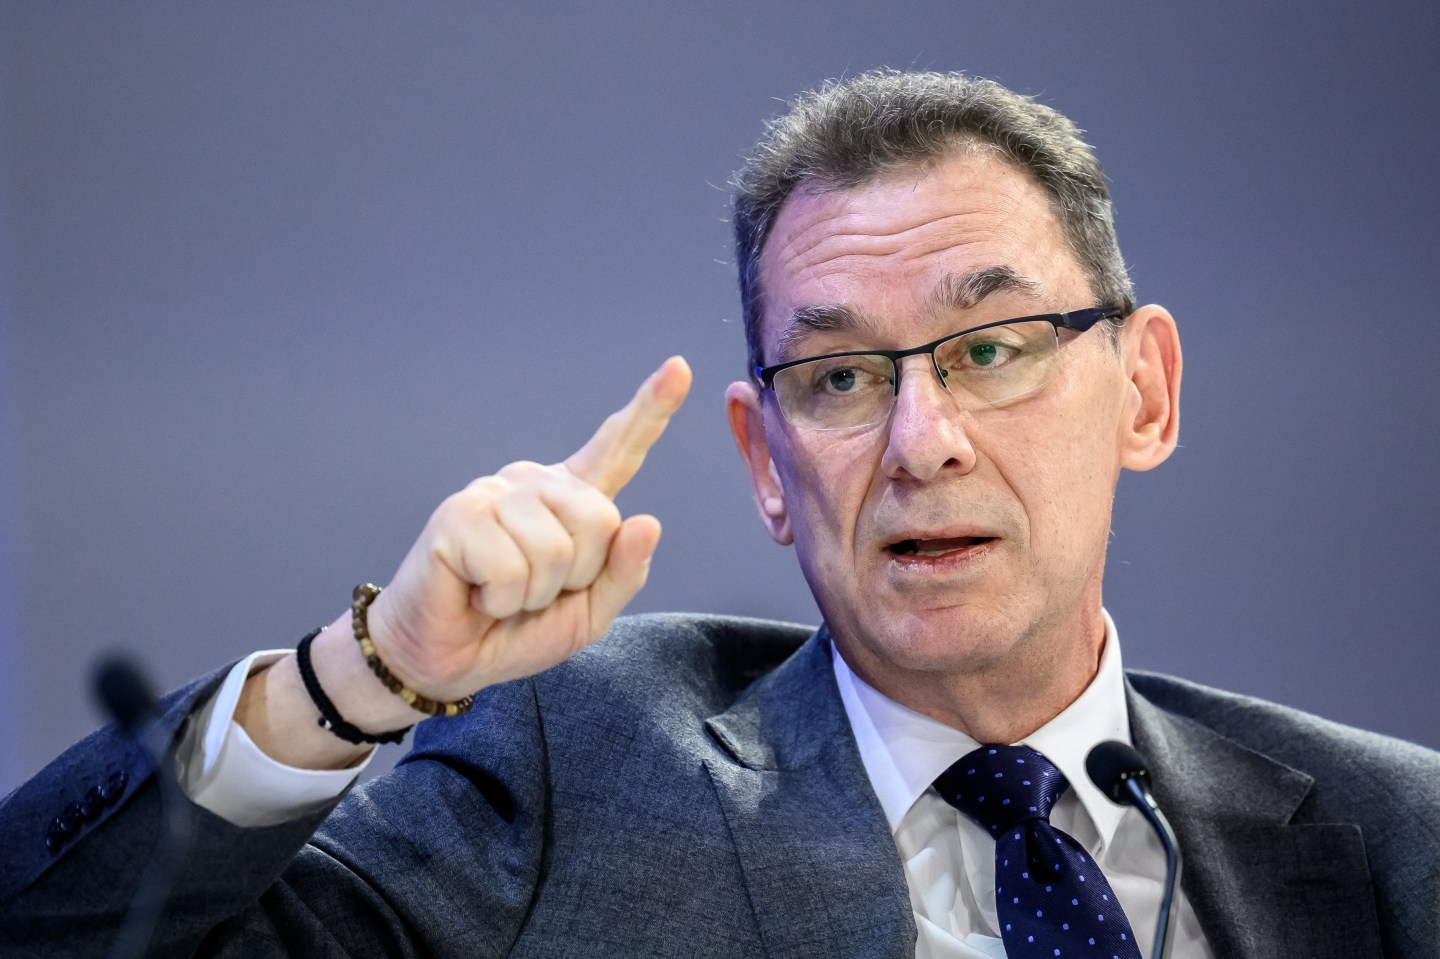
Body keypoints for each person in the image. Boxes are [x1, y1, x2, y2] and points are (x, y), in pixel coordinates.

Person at [2, 69, 1437, 959]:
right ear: (764, 462)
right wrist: (368, 676)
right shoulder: (585, 765)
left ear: (1145, 392)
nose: (920, 442)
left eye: (989, 351)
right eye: (838, 377)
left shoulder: (1392, 842)